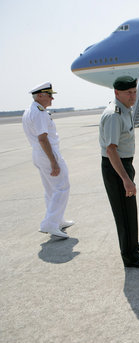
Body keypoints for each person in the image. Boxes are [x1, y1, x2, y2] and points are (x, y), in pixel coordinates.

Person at [99, 76, 139, 268]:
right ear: (116, 93)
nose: (133, 96)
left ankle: (131, 242)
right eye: (128, 93)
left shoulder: (124, 110)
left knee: (130, 209)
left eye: (134, 91)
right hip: (116, 167)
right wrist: (125, 179)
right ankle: (129, 256)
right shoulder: (114, 115)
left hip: (123, 164)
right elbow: (111, 150)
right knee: (124, 211)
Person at [22, 82, 74, 239]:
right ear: (39, 96)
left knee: (51, 189)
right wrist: (53, 162)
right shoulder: (39, 113)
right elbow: (43, 139)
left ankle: (57, 220)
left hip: (39, 153)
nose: (52, 98)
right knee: (62, 187)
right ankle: (50, 223)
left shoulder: (30, 110)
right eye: (49, 95)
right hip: (47, 153)